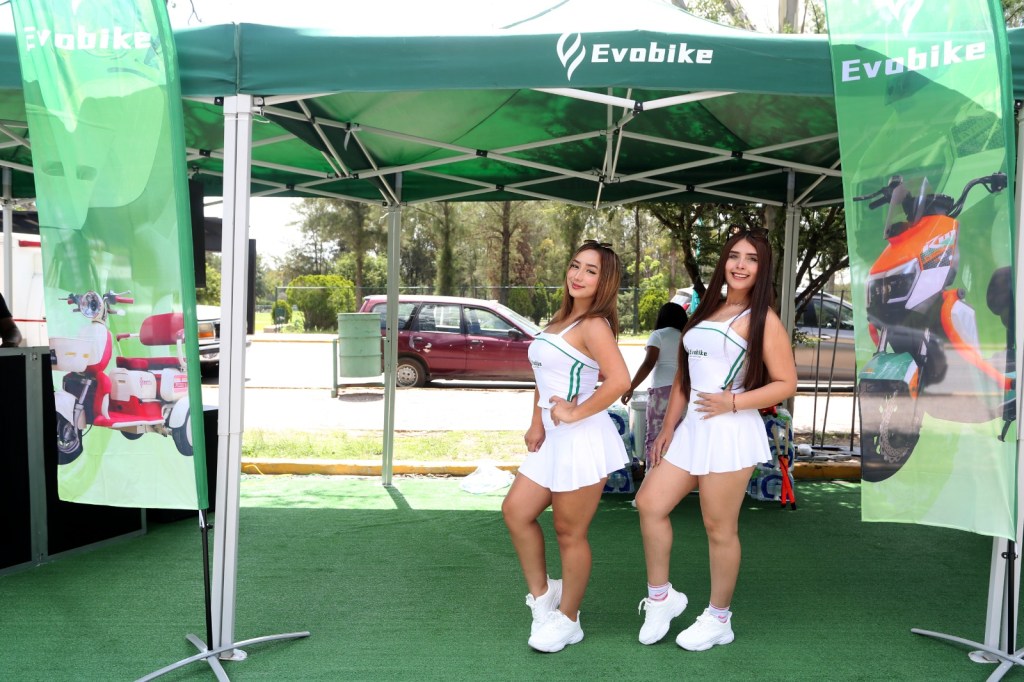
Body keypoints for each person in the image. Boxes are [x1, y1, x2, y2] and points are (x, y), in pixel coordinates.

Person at [634, 225, 797, 651]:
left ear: (763, 269)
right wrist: (667, 427)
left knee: (718, 527)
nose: (741, 265)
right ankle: (661, 599)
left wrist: (733, 401)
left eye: (752, 259)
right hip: (691, 430)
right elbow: (685, 378)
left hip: (730, 432)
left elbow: (786, 383)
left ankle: (719, 618)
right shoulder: (708, 309)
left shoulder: (762, 319)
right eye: (735, 256)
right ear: (724, 261)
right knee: (649, 503)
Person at [502, 239, 631, 653]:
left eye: (591, 271)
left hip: (582, 440)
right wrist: (535, 422)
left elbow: (620, 380)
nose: (578, 275)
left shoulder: (594, 325)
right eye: (576, 265)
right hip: (552, 437)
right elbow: (543, 379)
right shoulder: (559, 320)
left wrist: (575, 413)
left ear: (604, 281)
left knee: (569, 532)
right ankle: (544, 596)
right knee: (516, 511)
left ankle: (569, 619)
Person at [621, 301, 688, 463]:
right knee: (679, 437)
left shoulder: (658, 335)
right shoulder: (686, 337)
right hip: (684, 391)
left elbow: (648, 363)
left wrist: (631, 387)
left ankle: (653, 472)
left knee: (655, 437)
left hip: (661, 392)